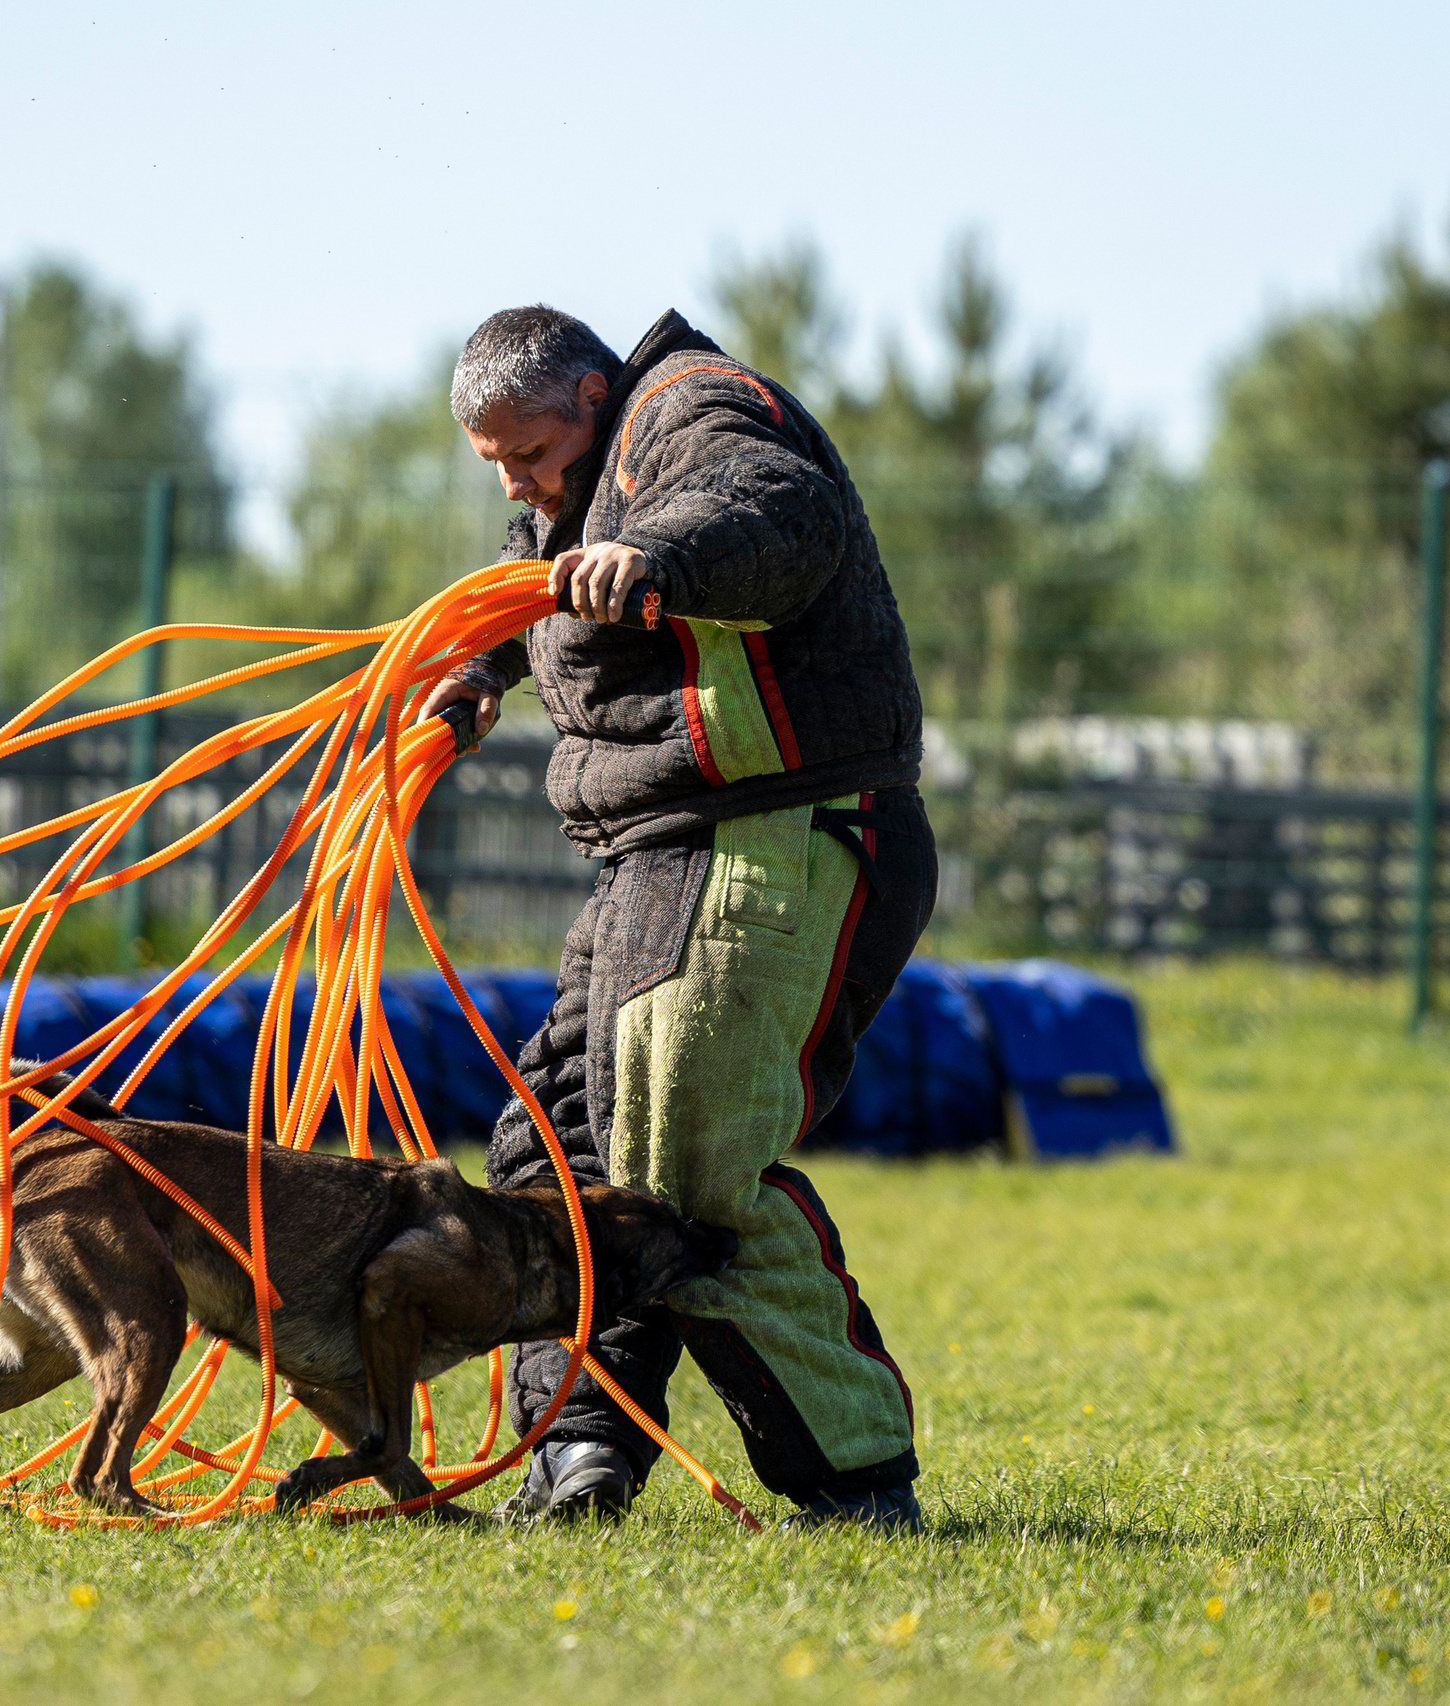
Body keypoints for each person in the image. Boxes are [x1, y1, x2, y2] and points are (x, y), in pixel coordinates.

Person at [417, 305, 935, 1529]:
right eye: (500, 466)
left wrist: (659, 556)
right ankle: (579, 1450)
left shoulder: (692, 413)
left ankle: (855, 1483)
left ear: (594, 395)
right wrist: (475, 667)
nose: (522, 483)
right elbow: (531, 580)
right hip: (658, 856)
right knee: (559, 1150)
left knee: (682, 1157)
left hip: (773, 836)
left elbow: (775, 510)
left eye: (531, 453)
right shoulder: (579, 486)